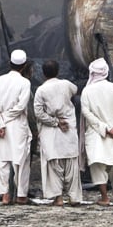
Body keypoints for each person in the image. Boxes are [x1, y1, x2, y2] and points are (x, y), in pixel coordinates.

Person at [80, 57, 113, 205]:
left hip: (97, 134)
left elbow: (86, 113)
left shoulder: (87, 91)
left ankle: (104, 197)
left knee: (97, 166)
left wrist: (104, 129)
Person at [33, 59, 82, 205]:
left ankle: (58, 198)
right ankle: (74, 198)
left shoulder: (41, 90)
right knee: (72, 165)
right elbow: (75, 90)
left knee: (54, 165)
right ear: (58, 71)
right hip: (69, 128)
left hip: (51, 132)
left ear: (43, 74)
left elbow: (38, 113)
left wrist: (54, 122)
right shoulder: (66, 84)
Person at [0, 49, 33, 204]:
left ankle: (5, 195)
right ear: (25, 65)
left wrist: (0, 121)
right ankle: (21, 195)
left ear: (10, 64)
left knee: (1, 159)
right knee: (20, 159)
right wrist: (5, 119)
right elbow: (21, 106)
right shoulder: (25, 83)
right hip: (17, 123)